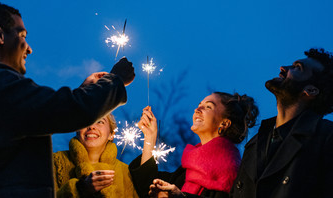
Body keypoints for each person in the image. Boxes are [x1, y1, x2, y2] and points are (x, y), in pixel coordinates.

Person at [0, 1, 134, 197]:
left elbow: (45, 111)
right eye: (22, 36)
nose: (29, 49)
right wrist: (116, 81)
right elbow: (63, 110)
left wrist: (84, 90)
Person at [230, 48, 333, 198]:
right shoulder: (255, 142)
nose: (283, 68)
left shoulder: (326, 138)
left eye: (297, 68)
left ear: (310, 90)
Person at [129, 92, 259, 198]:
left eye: (208, 106)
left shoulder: (231, 171)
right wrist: (150, 136)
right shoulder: (188, 170)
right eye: (199, 105)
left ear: (224, 124)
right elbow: (146, 186)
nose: (197, 109)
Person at [53, 113, 139, 198]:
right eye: (86, 121)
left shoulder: (126, 173)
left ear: (111, 134)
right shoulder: (55, 162)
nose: (91, 126)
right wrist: (80, 189)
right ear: (77, 130)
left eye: (100, 122)